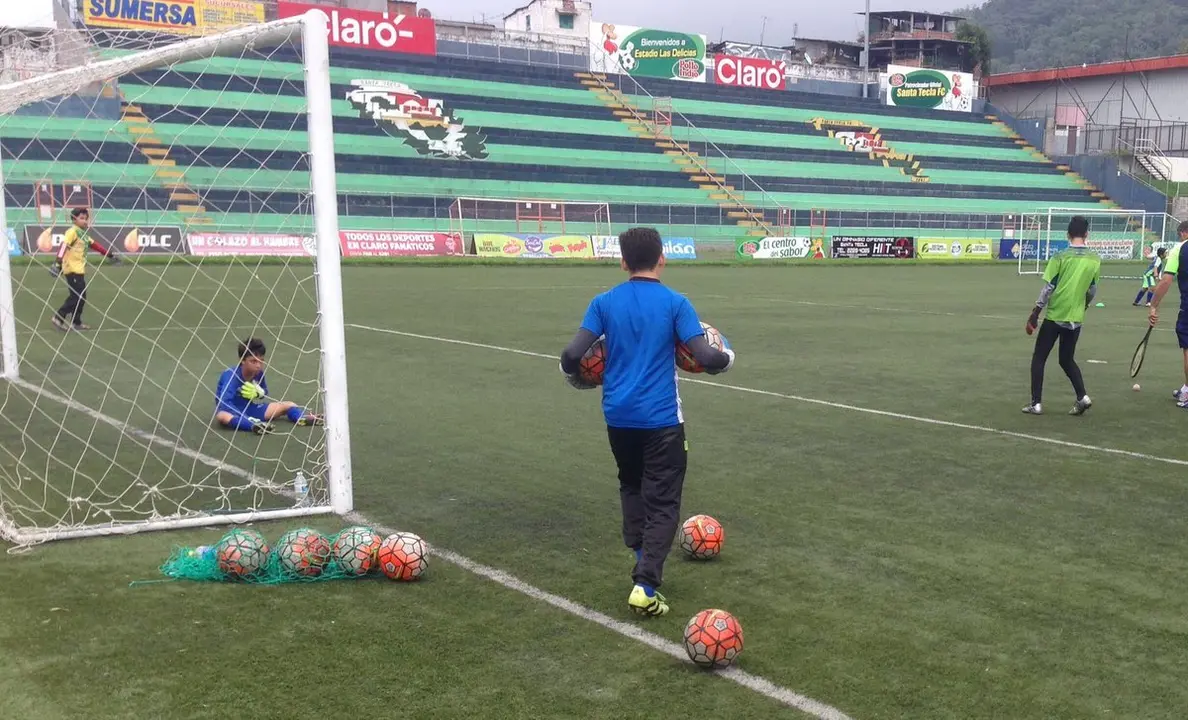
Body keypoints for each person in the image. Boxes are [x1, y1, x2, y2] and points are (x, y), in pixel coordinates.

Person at [559, 227, 735, 617]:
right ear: (663, 259)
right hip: (661, 420)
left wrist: (581, 374)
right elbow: (704, 357)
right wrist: (728, 358)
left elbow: (572, 355)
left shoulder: (603, 302)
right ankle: (646, 585)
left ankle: (640, 556)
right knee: (664, 501)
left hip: (618, 417)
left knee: (631, 485)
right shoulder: (676, 303)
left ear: (623, 261)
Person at [1023, 216, 1101, 416]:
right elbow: (1092, 290)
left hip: (1055, 315)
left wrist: (1035, 313)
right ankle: (1082, 397)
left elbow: (1049, 287)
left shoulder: (1060, 257)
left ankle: (1036, 403)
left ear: (1068, 234)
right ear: (1086, 234)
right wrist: (1083, 306)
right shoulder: (1094, 259)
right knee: (1067, 359)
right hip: (1076, 317)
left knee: (1039, 357)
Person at [214, 338, 322, 435]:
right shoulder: (231, 376)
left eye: (261, 361)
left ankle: (301, 418)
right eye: (253, 361)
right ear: (242, 360)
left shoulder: (258, 373)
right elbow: (224, 404)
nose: (258, 365)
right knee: (222, 416)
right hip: (232, 412)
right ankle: (253, 425)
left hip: (250, 409)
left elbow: (264, 391)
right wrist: (245, 418)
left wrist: (259, 393)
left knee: (289, 405)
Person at [50, 207, 120, 331]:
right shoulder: (72, 232)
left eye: (86, 218)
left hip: (78, 270)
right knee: (77, 296)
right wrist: (57, 263)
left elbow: (96, 246)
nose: (85, 221)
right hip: (71, 269)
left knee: (80, 297)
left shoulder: (83, 234)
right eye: (81, 218)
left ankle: (76, 322)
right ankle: (59, 317)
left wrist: (110, 255)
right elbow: (63, 246)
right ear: (74, 219)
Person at [1146, 220, 1188, 406]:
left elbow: (1166, 280)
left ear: (1183, 233)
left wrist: (1153, 304)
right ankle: (1186, 389)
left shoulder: (1179, 250)